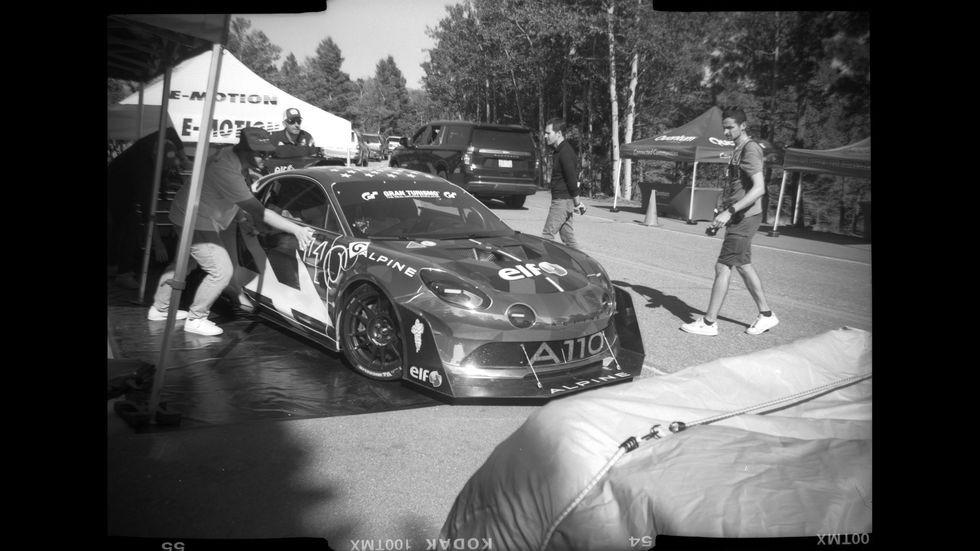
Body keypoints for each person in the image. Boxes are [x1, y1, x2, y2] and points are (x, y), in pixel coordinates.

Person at [148, 127, 315, 336]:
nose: (266, 157)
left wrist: (242, 219)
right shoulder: (225, 169)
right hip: (195, 219)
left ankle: (160, 308)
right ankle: (196, 317)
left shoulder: (232, 156)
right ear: (244, 151)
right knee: (221, 271)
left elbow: (228, 196)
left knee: (184, 264)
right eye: (261, 153)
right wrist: (296, 229)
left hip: (190, 213)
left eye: (268, 153)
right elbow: (259, 211)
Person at [681, 107, 778, 336]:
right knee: (743, 266)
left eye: (730, 127)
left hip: (746, 216)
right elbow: (737, 188)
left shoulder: (750, 149)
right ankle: (766, 315)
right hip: (738, 215)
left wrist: (730, 211)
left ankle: (709, 322)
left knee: (723, 265)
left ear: (743, 126)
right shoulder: (737, 148)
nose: (726, 131)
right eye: (724, 127)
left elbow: (759, 189)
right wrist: (724, 214)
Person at [107, 128, 190, 289]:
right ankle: (123, 274)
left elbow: (170, 130)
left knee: (121, 228)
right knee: (130, 226)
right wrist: (158, 243)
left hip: (123, 178)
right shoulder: (143, 171)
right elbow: (148, 211)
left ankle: (112, 264)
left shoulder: (156, 141)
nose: (167, 171)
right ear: (155, 160)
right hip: (116, 188)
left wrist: (183, 156)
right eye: (165, 168)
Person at [541, 118, 585, 249]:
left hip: (562, 201)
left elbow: (572, 179)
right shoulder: (559, 151)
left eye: (548, 133)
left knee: (546, 236)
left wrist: (578, 203)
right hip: (563, 200)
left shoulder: (565, 152)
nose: (545, 136)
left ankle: (545, 266)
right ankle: (581, 266)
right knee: (568, 238)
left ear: (558, 133)